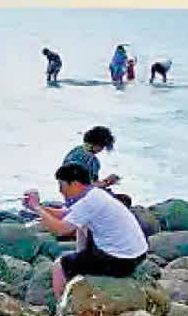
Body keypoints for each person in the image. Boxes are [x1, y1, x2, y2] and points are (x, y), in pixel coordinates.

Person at [25, 163, 150, 301]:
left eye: (62, 186)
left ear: (75, 184)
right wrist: (37, 207)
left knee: (59, 266)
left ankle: (61, 306)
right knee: (81, 225)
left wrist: (37, 208)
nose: (61, 191)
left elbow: (61, 230)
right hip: (137, 253)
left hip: (122, 260)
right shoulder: (94, 194)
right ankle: (82, 261)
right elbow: (65, 214)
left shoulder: (88, 202)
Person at [61, 125, 121, 192]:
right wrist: (107, 182)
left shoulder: (76, 152)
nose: (102, 149)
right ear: (97, 144)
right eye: (102, 146)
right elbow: (85, 187)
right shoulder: (88, 159)